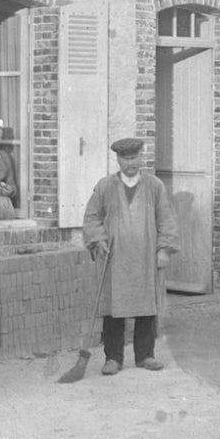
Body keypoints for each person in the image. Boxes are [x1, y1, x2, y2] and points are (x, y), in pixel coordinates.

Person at [81, 137, 180, 374]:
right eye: (126, 158)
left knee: (147, 305)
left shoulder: (154, 186)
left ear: (141, 157)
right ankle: (113, 358)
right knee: (113, 306)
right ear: (118, 159)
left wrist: (164, 248)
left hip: (146, 255)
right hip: (115, 258)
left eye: (135, 157)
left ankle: (145, 355)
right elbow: (91, 217)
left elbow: (166, 219)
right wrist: (98, 239)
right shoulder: (105, 186)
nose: (131, 163)